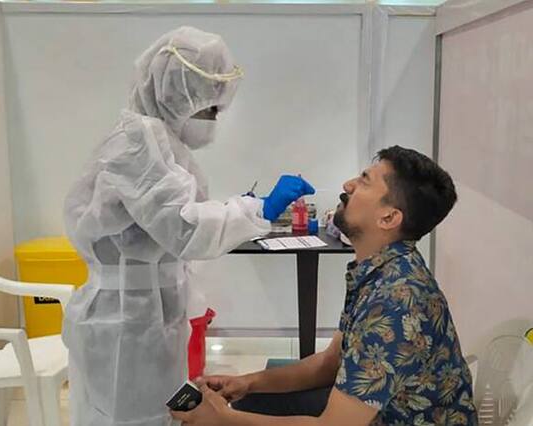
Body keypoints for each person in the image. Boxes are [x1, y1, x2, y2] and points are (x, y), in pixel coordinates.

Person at [62, 26, 314, 426]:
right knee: (127, 418)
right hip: (122, 321)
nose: (213, 120)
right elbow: (183, 228)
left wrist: (244, 209)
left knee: (160, 414)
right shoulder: (137, 141)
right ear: (174, 95)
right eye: (208, 108)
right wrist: (259, 209)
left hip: (147, 314)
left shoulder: (161, 142)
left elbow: (174, 215)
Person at [171, 146, 478, 426]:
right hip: (381, 414)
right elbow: (330, 363)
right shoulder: (377, 270)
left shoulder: (396, 302)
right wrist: (247, 382)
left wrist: (223, 419)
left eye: (365, 181)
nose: (348, 185)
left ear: (388, 217)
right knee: (252, 400)